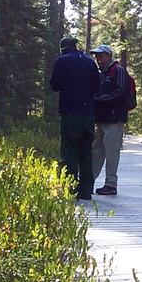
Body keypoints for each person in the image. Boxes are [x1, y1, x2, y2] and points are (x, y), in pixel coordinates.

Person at [48, 36, 100, 200]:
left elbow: (54, 85)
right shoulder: (90, 62)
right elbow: (97, 86)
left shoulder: (62, 61)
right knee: (86, 151)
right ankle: (86, 190)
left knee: (70, 150)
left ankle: (71, 188)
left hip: (70, 112)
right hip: (88, 114)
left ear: (63, 48)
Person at [90, 44, 129, 195]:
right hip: (101, 119)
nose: (98, 59)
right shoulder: (102, 73)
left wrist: (98, 100)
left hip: (115, 118)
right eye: (97, 56)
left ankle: (111, 184)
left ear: (108, 56)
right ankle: (89, 181)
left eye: (101, 56)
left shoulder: (118, 70)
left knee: (112, 152)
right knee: (96, 151)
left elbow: (119, 92)